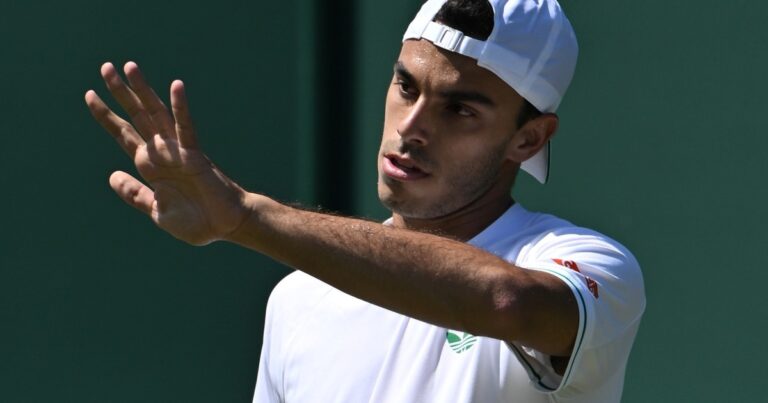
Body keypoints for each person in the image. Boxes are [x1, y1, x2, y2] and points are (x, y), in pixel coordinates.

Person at [85, 0, 645, 401]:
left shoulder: (592, 266)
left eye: (460, 109)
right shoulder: (297, 300)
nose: (412, 127)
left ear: (529, 139)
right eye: (406, 87)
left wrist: (247, 217)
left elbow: (505, 303)